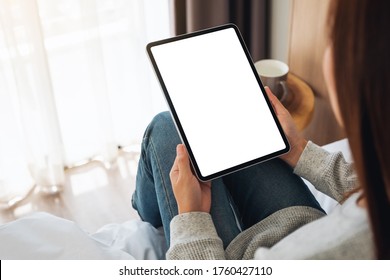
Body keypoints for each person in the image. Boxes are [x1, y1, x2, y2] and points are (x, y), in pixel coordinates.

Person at [132, 0, 390, 259]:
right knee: (232, 131)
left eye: (333, 37)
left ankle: (146, 208)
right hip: (300, 221)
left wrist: (189, 216)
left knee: (164, 126)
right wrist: (298, 150)